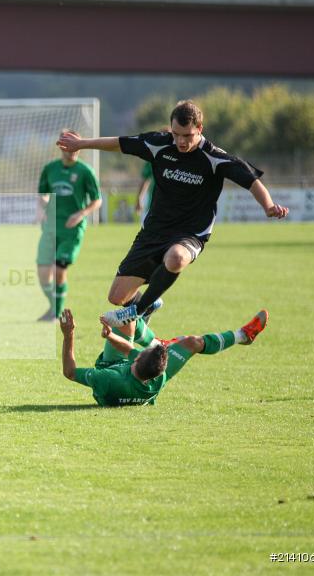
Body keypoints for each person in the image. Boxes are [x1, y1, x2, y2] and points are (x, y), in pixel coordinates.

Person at [56, 100, 289, 331]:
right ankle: (149, 303)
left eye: (187, 136)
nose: (180, 141)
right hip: (154, 232)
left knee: (176, 258)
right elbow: (119, 143)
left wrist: (268, 205)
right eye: (176, 134)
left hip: (190, 233)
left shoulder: (214, 157)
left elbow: (250, 180)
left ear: (200, 129)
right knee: (116, 297)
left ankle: (138, 311)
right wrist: (82, 144)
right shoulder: (159, 144)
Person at [58, 307, 268, 407]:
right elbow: (131, 352)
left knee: (126, 319)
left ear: (137, 360)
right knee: (193, 343)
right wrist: (112, 336)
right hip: (133, 373)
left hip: (112, 366)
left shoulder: (107, 378)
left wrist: (69, 335)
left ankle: (142, 320)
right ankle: (243, 336)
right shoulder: (160, 376)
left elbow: (70, 372)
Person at [36, 129, 102, 321]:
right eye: (67, 144)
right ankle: (54, 307)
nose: (72, 149)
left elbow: (97, 200)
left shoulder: (85, 172)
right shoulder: (50, 169)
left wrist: (81, 214)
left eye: (76, 144)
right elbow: (42, 194)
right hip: (50, 227)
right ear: (60, 146)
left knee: (58, 270)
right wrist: (42, 208)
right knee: (42, 274)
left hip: (71, 230)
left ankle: (56, 314)